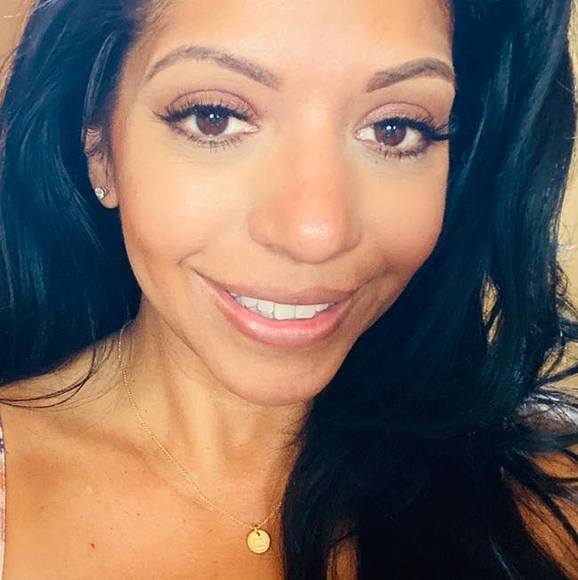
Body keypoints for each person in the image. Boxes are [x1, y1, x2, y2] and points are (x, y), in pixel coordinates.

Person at [0, 0, 577, 577]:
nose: (316, 234)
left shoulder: (549, 501)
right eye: (214, 118)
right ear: (100, 149)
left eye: (394, 129)